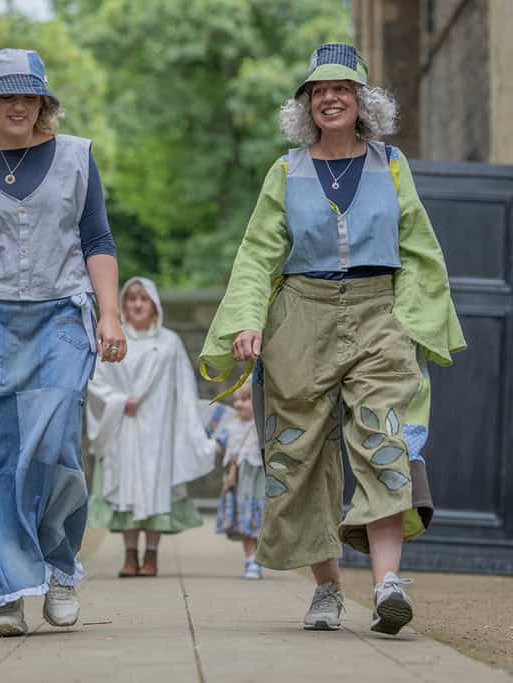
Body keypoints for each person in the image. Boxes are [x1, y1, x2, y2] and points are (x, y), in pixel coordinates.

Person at [200, 43, 465, 635]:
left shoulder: (391, 164)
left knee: (384, 438)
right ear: (306, 105)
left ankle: (388, 584)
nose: (330, 98)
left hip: (379, 312)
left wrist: (415, 319)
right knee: (299, 452)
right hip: (300, 314)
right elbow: (258, 254)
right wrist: (247, 320)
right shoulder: (285, 170)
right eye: (318, 91)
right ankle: (325, 588)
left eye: (341, 88)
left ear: (362, 101)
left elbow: (420, 245)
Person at [0, 48, 125, 637]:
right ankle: (8, 591)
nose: (18, 104)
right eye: (6, 95)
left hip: (62, 318)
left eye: (28, 95)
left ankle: (59, 568)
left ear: (43, 101)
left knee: (56, 447)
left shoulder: (77, 157)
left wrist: (109, 317)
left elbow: (97, 240)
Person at [85, 277, 215, 578]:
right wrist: (118, 401)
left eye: (143, 299)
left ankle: (152, 555)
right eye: (131, 299)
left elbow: (183, 386)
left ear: (154, 304)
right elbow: (96, 381)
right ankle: (130, 556)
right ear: (123, 305)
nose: (138, 304)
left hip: (159, 429)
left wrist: (190, 428)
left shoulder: (168, 342)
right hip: (123, 427)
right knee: (125, 487)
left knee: (156, 487)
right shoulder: (113, 340)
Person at [213, 381, 265, 580]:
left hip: (258, 478)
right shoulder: (231, 427)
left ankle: (258, 557)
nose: (238, 404)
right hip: (240, 480)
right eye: (236, 400)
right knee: (245, 518)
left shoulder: (260, 426)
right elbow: (218, 447)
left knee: (258, 518)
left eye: (245, 399)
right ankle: (250, 559)